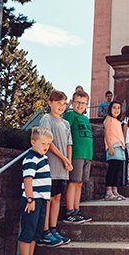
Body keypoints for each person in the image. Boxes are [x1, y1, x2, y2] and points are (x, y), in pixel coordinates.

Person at [38, 90, 72, 245]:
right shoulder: (47, 118)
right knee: (48, 199)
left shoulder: (65, 123)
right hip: (51, 166)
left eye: (64, 103)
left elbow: (69, 144)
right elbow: (47, 142)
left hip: (63, 168)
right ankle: (44, 232)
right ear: (50, 103)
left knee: (57, 197)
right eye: (58, 103)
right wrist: (63, 158)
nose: (61, 106)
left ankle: (53, 229)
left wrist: (68, 161)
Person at [18, 127, 54, 255]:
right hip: (32, 201)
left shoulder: (42, 158)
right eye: (43, 143)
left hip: (41, 201)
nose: (46, 147)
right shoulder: (31, 158)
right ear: (33, 142)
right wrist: (30, 199)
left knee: (35, 233)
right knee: (28, 231)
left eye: (48, 144)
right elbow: (28, 180)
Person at [63, 90, 94, 224]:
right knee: (73, 182)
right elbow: (65, 132)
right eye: (78, 102)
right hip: (76, 153)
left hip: (87, 154)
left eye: (84, 103)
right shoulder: (70, 115)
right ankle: (69, 211)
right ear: (72, 102)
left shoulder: (86, 118)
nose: (81, 105)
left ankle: (77, 209)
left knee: (80, 183)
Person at [103, 100, 127, 201]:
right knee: (112, 169)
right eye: (114, 108)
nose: (116, 110)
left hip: (120, 147)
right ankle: (108, 192)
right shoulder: (108, 119)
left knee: (117, 170)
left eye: (118, 108)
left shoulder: (118, 121)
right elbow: (107, 133)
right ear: (110, 109)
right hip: (113, 146)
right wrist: (110, 146)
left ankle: (115, 191)